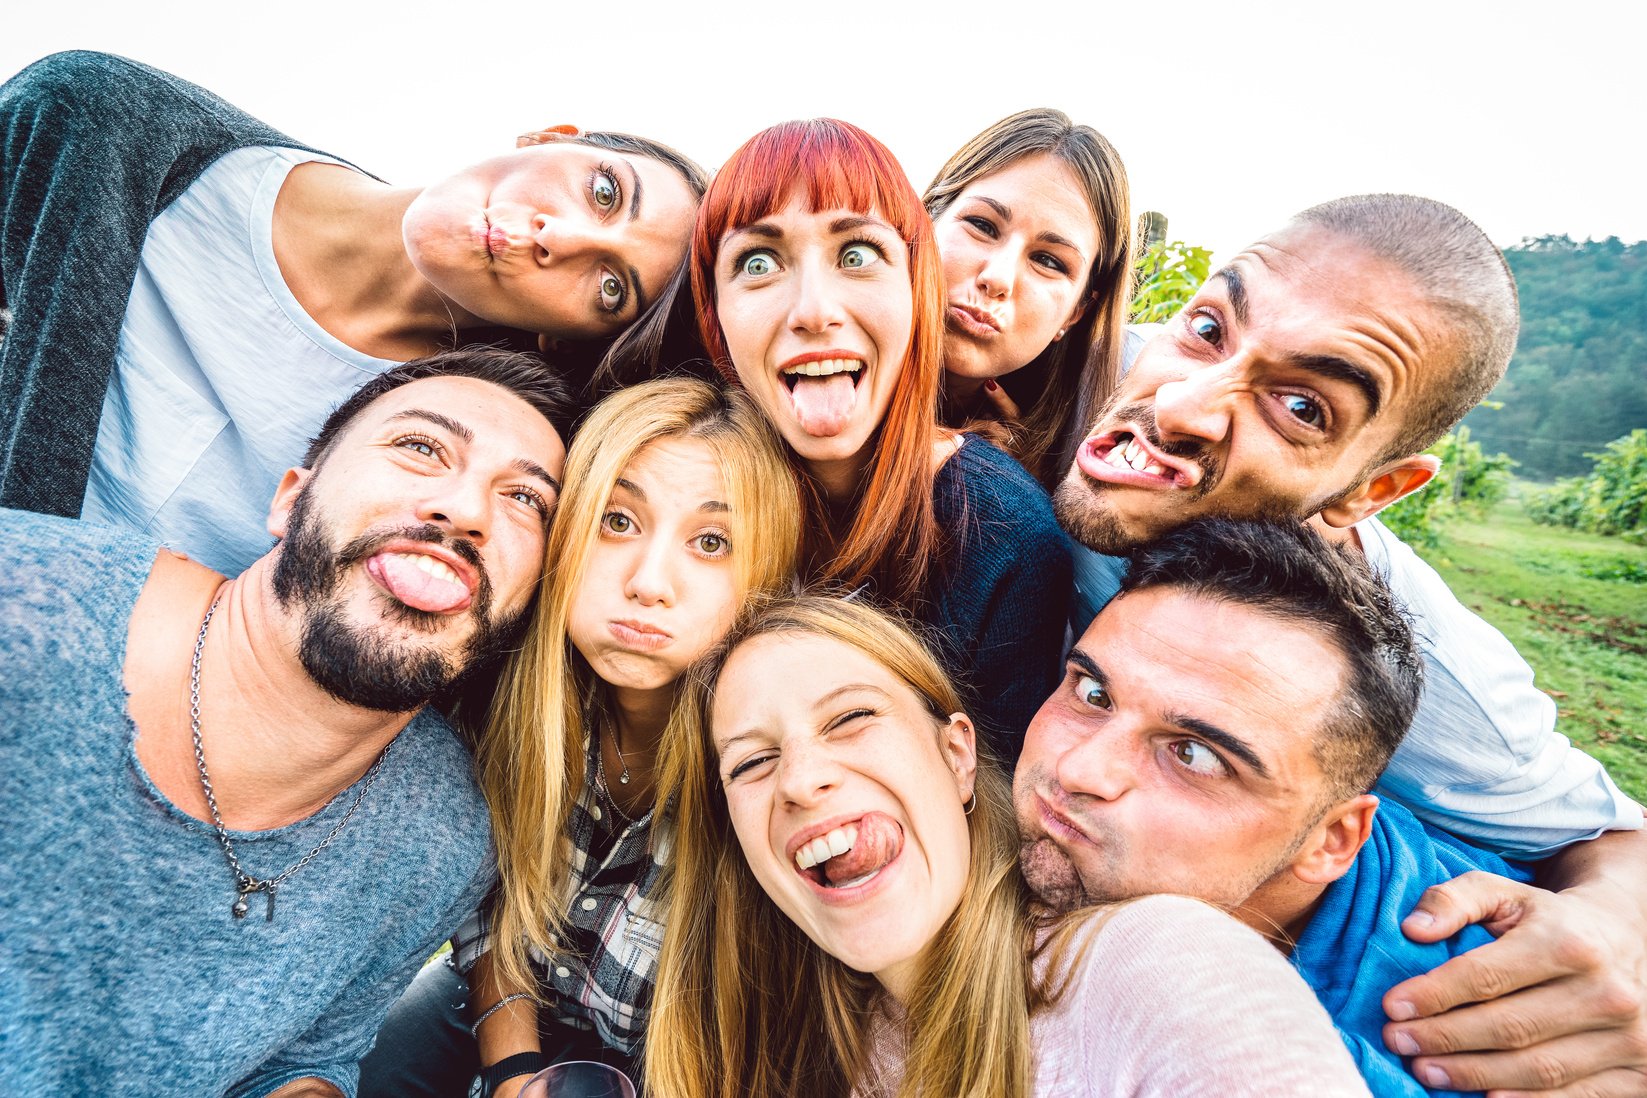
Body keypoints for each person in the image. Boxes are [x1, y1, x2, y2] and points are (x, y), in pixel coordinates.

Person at [1051, 194, 1647, 1094]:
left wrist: (1613, 925)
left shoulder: (1404, 666)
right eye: (1210, 326)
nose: (1181, 405)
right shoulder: (1100, 370)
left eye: (1299, 406)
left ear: (1367, 490)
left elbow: (1610, 835)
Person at [0, 347, 574, 1097]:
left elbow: (300, 1057)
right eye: (419, 446)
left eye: (525, 499)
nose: (464, 511)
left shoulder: (444, 835)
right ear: (289, 500)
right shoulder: (23, 603)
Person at [0, 50, 705, 577]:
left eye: (612, 287)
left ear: (570, 335)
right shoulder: (92, 126)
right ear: (549, 136)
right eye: (606, 192)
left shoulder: (463, 461)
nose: (566, 237)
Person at [647, 594, 1370, 1097]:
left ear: (957, 755)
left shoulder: (1150, 970)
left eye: (850, 719)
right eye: (749, 762)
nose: (800, 782)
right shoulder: (787, 1031)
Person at [357, 377, 802, 1098]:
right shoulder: (503, 696)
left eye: (711, 541)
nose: (649, 583)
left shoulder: (767, 778)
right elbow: (489, 910)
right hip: (505, 1004)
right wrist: (511, 1069)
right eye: (618, 521)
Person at [1015, 518, 1546, 1094]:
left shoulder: (1436, 1047)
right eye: (1095, 694)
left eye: (1194, 755)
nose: (1078, 770)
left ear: (1332, 841)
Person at [686, 118, 1073, 753]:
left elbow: (998, 814)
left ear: (918, 288)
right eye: (758, 262)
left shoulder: (1006, 536)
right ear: (715, 315)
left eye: (858, 254)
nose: (813, 310)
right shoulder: (683, 481)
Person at [923, 108, 1136, 484]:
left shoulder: (1051, 477)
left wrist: (1010, 496)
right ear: (928, 220)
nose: (997, 278)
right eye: (982, 225)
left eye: (1048, 261)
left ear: (1076, 313)